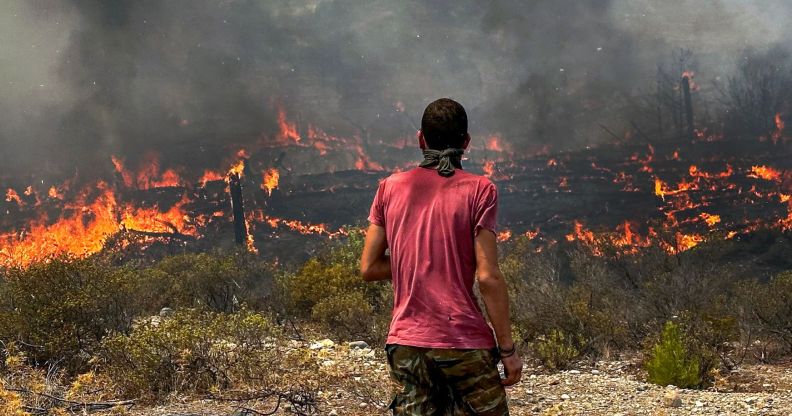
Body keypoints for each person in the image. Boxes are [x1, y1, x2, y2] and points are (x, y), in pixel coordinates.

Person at [360, 98, 522, 415]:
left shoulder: (389, 187)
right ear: (466, 142)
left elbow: (369, 267)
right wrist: (508, 350)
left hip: (407, 344)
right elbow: (488, 278)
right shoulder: (481, 189)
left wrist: (418, 260)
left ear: (421, 139)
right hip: (464, 342)